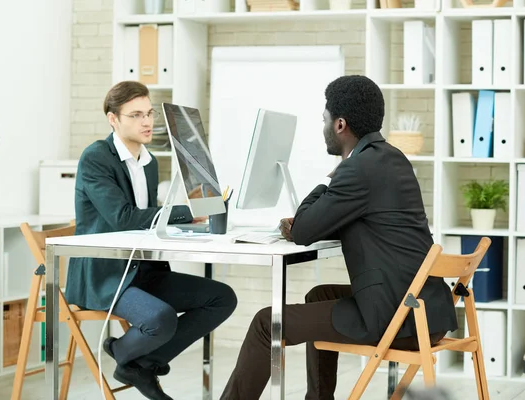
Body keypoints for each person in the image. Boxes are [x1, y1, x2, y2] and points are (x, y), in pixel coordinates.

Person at [219, 75, 457, 400]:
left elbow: (303, 231)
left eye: (324, 120)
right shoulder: (391, 158)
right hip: (425, 309)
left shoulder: (357, 168)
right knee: (319, 294)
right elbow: (352, 219)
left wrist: (328, 177)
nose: (324, 128)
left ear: (340, 124)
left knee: (266, 323)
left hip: (397, 320)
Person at [65, 81, 238, 400]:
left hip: (144, 269)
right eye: (135, 115)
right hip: (106, 274)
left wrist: (189, 224)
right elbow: (124, 217)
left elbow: (146, 222)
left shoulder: (149, 161)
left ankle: (142, 362)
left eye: (149, 114)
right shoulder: (96, 158)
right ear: (113, 119)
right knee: (161, 318)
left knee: (222, 297)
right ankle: (120, 351)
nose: (146, 122)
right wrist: (184, 214)